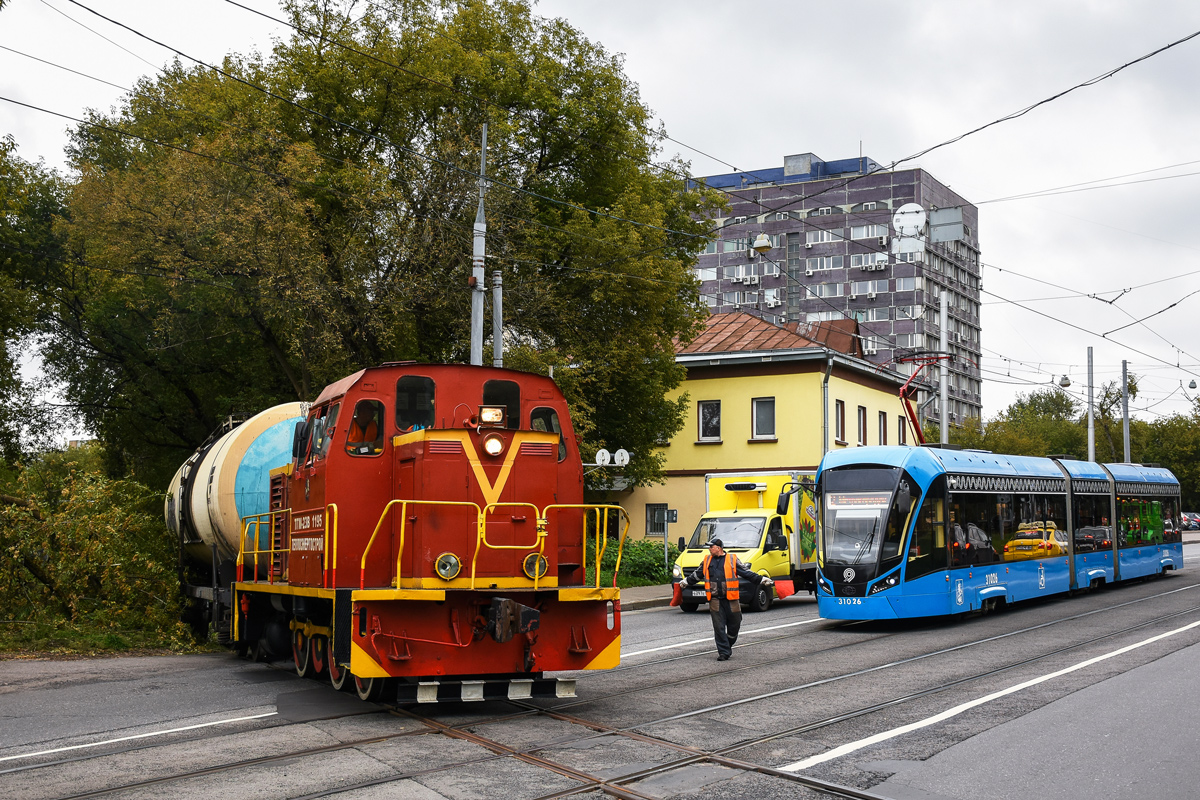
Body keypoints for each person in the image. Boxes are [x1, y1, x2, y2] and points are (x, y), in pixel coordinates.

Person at [681, 538, 772, 661]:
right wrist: (686, 581)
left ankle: (728, 643)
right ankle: (723, 652)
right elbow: (697, 574)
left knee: (735, 623)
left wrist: (761, 579)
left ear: (719, 548)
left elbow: (746, 573)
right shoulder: (707, 560)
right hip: (715, 599)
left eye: (711, 547)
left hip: (731, 599)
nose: (709, 549)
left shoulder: (732, 559)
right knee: (718, 627)